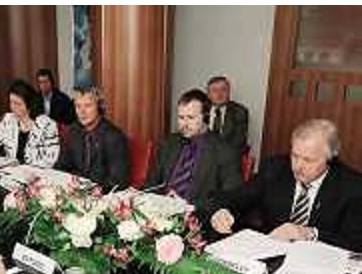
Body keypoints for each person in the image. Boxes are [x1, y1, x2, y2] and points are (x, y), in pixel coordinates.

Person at [211, 119, 362, 251]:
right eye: (295, 156)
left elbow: (355, 242)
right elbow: (238, 197)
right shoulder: (274, 169)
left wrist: (310, 233)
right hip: (270, 254)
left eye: (308, 160)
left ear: (330, 159)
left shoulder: (352, 187)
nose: (298, 166)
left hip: (319, 264)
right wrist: (224, 211)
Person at [146, 89, 242, 212]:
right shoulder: (169, 143)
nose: (184, 124)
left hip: (195, 214)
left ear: (206, 117)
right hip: (159, 210)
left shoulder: (225, 151)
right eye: (181, 117)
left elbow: (231, 198)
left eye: (191, 118)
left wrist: (188, 205)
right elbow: (152, 183)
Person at [0, 79, 59, 167]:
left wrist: (24, 166)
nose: (13, 107)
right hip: (12, 171)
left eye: (18, 104)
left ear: (29, 104)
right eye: (11, 102)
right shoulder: (8, 120)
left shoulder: (47, 125)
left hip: (36, 172)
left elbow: (50, 159)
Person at [56, 87, 129, 190]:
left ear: (99, 107)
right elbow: (61, 166)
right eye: (78, 106)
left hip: (101, 194)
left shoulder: (114, 137)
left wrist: (94, 190)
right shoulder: (73, 131)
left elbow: (118, 181)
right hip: (76, 190)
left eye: (88, 106)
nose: (82, 112)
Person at [207, 75, 249, 154]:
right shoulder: (202, 110)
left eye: (223, 90)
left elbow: (238, 143)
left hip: (228, 156)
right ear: (208, 95)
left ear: (229, 92)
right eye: (215, 90)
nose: (219, 94)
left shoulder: (239, 112)